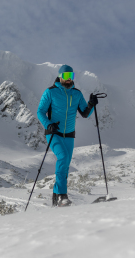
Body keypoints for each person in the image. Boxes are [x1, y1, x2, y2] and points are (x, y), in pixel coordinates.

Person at [37, 65, 98, 207]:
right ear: (60, 76)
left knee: (65, 165)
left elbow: (84, 113)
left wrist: (91, 104)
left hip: (69, 135)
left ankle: (56, 199)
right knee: (63, 157)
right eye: (65, 76)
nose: (69, 79)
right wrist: (48, 124)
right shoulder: (50, 92)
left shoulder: (76, 94)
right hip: (54, 133)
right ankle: (62, 196)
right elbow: (40, 111)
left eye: (71, 76)